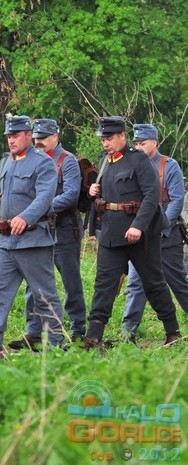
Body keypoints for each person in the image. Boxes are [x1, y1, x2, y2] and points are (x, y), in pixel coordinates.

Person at [0, 115, 64, 362]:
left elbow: (45, 197)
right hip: (5, 241)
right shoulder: (8, 162)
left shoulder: (43, 162)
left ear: (28, 135)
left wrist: (26, 217)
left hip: (33, 240)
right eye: (9, 136)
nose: (11, 140)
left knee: (44, 294)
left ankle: (55, 342)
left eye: (15, 135)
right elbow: (5, 192)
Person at [85, 116, 181, 348]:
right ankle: (93, 337)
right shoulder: (105, 161)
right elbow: (105, 200)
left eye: (109, 138)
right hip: (111, 233)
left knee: (153, 283)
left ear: (122, 136)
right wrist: (93, 192)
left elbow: (151, 196)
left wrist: (138, 225)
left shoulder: (139, 159)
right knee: (104, 284)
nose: (105, 143)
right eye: (103, 139)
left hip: (141, 236)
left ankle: (173, 333)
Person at [9, 118, 87, 350]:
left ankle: (77, 329)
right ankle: (34, 331)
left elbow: (71, 195)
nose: (39, 142)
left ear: (55, 136)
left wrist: (40, 208)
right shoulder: (29, 159)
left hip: (64, 229)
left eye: (43, 138)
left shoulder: (67, 160)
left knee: (70, 280)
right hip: (38, 229)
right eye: (36, 138)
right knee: (34, 281)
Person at [121, 123, 188, 342]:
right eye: (137, 143)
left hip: (166, 237)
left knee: (177, 282)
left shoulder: (169, 166)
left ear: (155, 143)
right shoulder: (131, 164)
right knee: (136, 284)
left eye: (143, 143)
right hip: (140, 237)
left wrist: (161, 226)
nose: (139, 147)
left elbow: (176, 200)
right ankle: (128, 332)